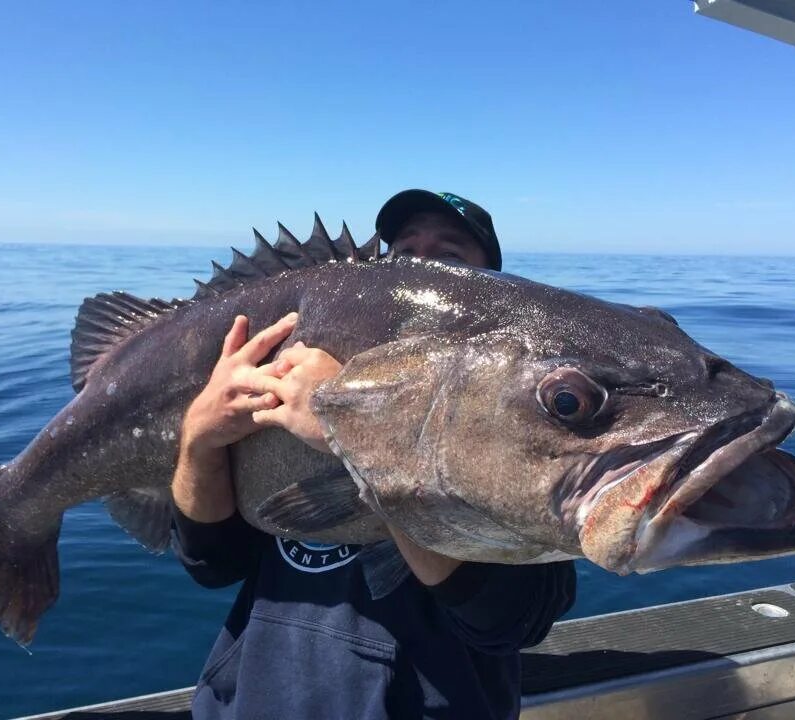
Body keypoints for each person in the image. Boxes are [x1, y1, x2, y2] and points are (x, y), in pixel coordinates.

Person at [171, 189, 576, 720]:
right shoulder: (303, 357)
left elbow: (509, 620)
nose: (421, 267)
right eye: (404, 253)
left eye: (450, 256)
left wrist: (353, 425)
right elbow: (214, 564)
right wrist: (197, 436)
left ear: (491, 286)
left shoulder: (524, 431)